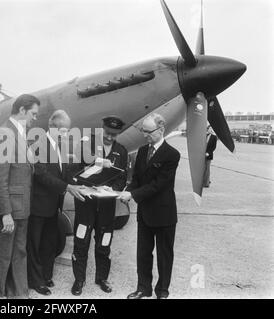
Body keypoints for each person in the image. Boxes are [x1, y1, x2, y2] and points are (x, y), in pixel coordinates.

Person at [118, 113, 180, 299]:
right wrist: (127, 191)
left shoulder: (172, 155)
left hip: (164, 214)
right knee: (143, 253)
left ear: (161, 130)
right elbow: (136, 179)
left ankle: (162, 291)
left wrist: (133, 194)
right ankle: (143, 288)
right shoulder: (143, 151)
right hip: (145, 213)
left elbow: (158, 185)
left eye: (148, 131)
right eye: (143, 131)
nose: (145, 135)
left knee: (164, 255)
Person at [0, 94, 40, 299]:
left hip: (21, 206)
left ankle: (18, 295)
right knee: (3, 255)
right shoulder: (4, 133)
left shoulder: (20, 133)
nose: (35, 118)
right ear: (22, 110)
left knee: (19, 253)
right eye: (33, 113)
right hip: (9, 208)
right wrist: (5, 213)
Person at [27, 110, 86, 296]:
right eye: (63, 130)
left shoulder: (57, 145)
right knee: (34, 245)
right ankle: (35, 281)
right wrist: (67, 187)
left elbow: (62, 172)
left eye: (67, 130)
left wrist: (82, 172)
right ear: (52, 127)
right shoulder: (39, 145)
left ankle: (46, 275)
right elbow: (41, 174)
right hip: (39, 204)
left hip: (53, 204)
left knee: (49, 243)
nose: (66, 134)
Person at [70, 116, 128, 296]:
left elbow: (122, 178)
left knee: (104, 241)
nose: (110, 137)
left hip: (106, 204)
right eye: (108, 133)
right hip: (86, 202)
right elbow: (74, 170)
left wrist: (113, 188)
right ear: (102, 128)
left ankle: (101, 278)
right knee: (81, 241)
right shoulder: (86, 145)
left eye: (115, 134)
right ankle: (79, 279)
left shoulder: (121, 151)